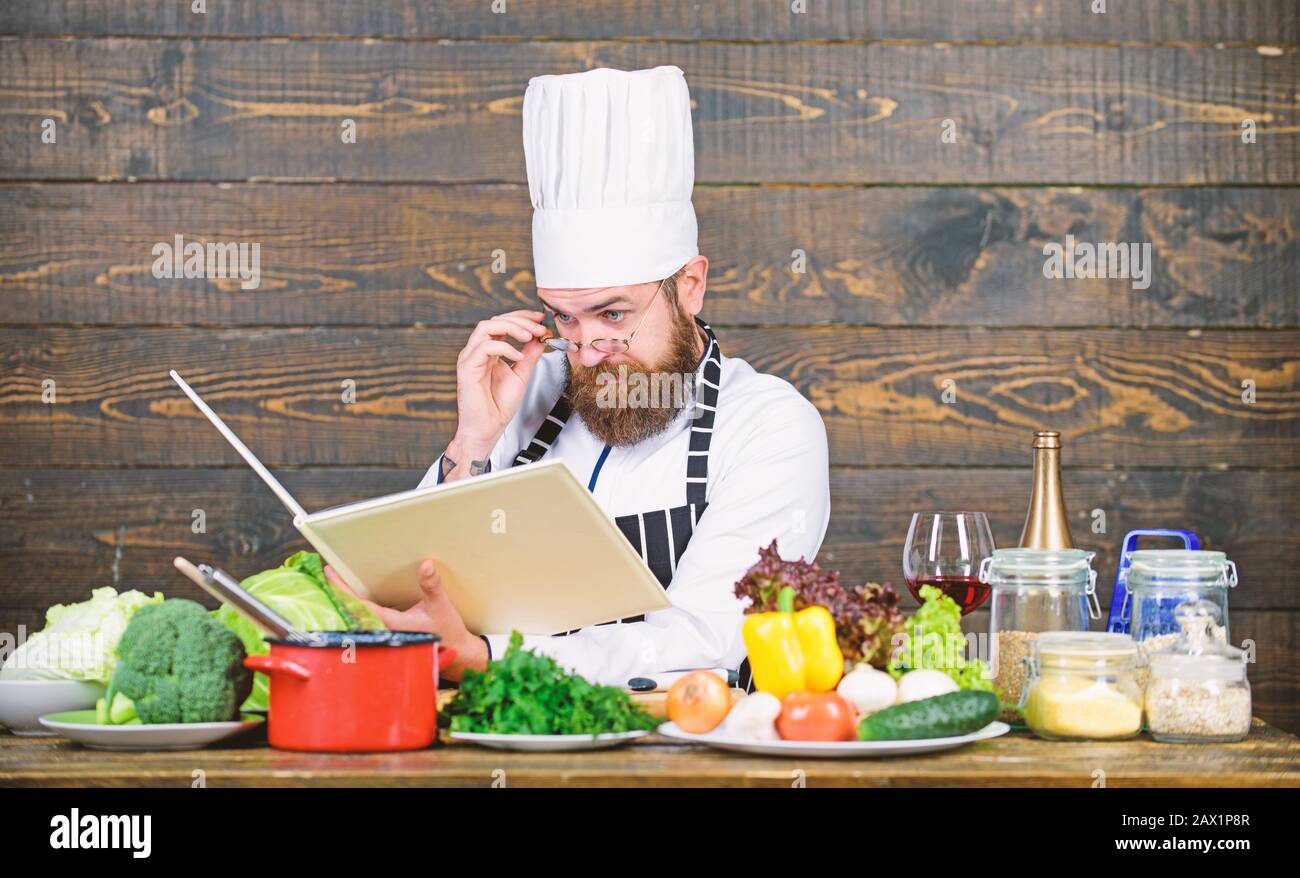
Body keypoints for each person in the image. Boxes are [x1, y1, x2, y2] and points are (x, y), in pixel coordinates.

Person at [326, 66, 829, 686]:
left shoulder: (770, 428)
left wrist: (490, 660)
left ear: (690, 286)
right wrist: (474, 442)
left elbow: (705, 638)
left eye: (612, 314)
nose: (587, 349)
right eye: (564, 316)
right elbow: (420, 591)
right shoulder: (534, 390)